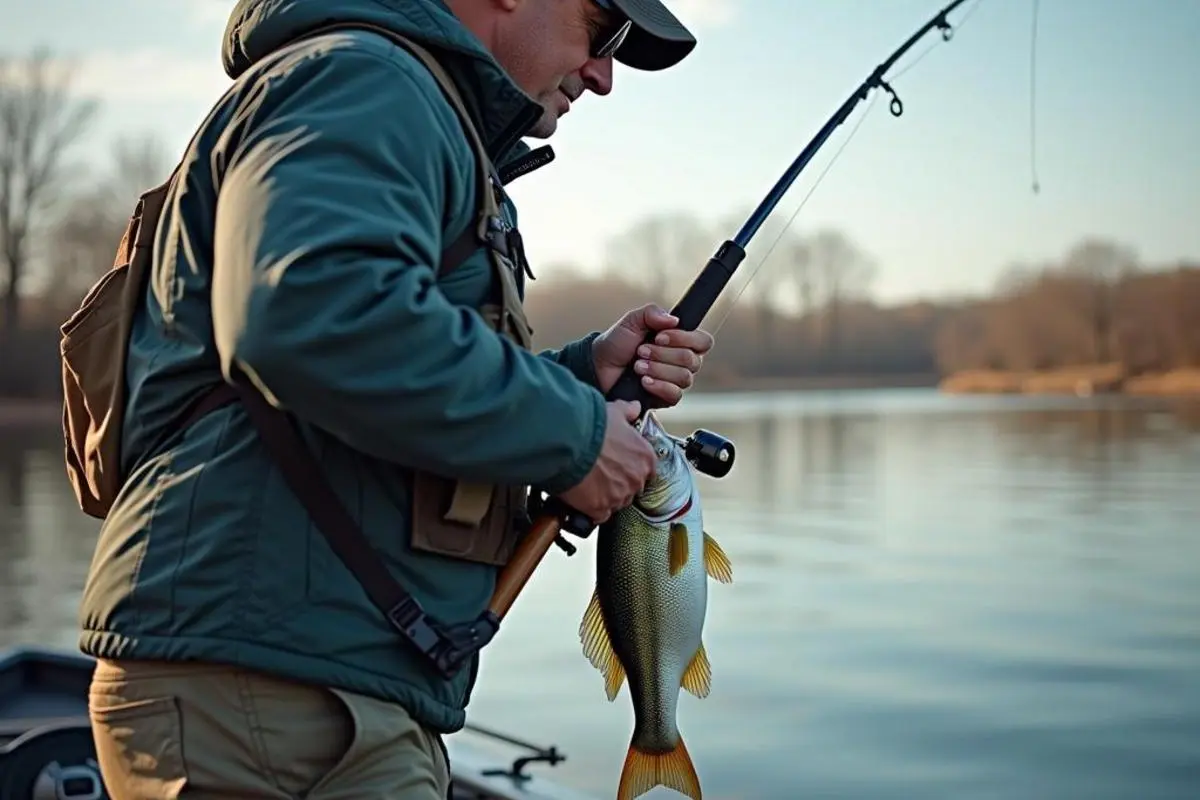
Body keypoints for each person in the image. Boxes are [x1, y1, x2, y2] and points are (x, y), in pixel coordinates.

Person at [79, 0, 712, 797]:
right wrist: (575, 436)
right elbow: (309, 314)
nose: (604, 75)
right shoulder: (367, 78)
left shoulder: (402, 101)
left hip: (317, 685)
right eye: (604, 30)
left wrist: (580, 377)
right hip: (273, 695)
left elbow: (374, 375)